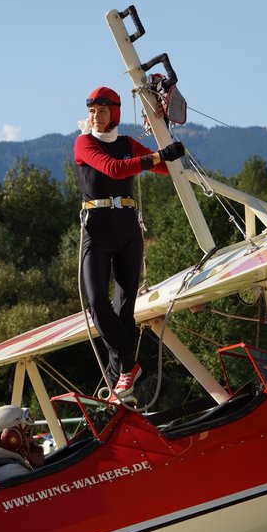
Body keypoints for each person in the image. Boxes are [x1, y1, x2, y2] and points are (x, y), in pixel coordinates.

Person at [74, 86, 185, 403]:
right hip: (95, 230)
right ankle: (129, 366)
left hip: (127, 230)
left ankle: (120, 384)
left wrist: (172, 150)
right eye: (93, 111)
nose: (96, 117)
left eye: (103, 111)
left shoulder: (127, 144)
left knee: (125, 312)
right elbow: (112, 168)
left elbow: (163, 166)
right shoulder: (84, 143)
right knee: (96, 301)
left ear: (116, 113)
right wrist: (155, 157)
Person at [0, 405, 44, 482]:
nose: (31, 439)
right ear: (10, 437)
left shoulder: (6, 468)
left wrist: (36, 467)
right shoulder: (12, 472)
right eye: (27, 433)